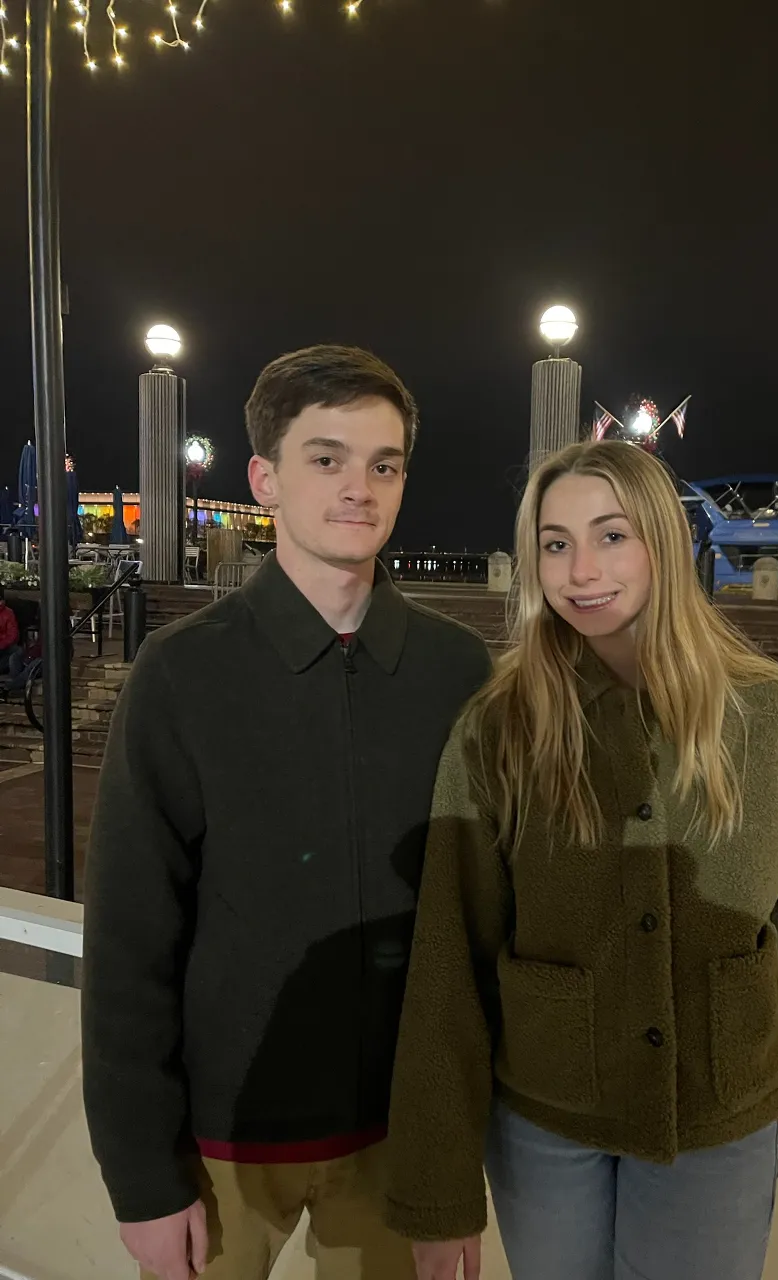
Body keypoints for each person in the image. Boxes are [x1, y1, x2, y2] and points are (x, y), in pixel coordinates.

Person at [383, 441, 778, 1280]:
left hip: (719, 1114)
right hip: (545, 1117)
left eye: (611, 535)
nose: (580, 570)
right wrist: (437, 1186)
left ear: (663, 544)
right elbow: (450, 957)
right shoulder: (499, 728)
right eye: (555, 544)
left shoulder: (773, 717)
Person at [81, 345, 492, 1280]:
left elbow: (476, 932)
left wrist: (453, 1171)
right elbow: (128, 941)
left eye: (384, 464)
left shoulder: (458, 673)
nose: (360, 487)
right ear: (264, 478)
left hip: (403, 1146)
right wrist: (141, 1177)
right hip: (221, 1146)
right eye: (327, 458)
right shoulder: (182, 675)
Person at [0, 584, 24, 681]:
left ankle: (14, 681)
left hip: (4, 646)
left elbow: (12, 635)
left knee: (18, 651)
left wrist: (1, 645)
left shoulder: (8, 613)